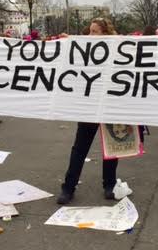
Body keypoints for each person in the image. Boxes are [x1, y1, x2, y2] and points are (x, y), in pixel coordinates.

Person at [57, 17, 123, 205]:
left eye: (95, 31)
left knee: (111, 148)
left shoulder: (116, 48)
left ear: (105, 34)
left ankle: (109, 185)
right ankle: (68, 188)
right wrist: (70, 40)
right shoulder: (85, 50)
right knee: (80, 149)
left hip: (110, 105)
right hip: (90, 106)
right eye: (89, 31)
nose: (90, 35)